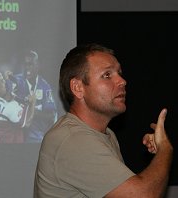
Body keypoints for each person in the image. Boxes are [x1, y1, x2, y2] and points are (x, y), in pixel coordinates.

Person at [33, 43, 173, 197]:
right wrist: (165, 149)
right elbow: (144, 195)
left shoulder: (106, 134)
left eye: (119, 73)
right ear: (78, 88)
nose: (122, 81)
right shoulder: (73, 139)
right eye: (107, 75)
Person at [12, 50, 58, 143]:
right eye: (25, 64)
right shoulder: (16, 81)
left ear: (38, 66)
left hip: (36, 136)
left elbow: (51, 116)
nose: (27, 68)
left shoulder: (45, 87)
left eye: (31, 64)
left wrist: (30, 112)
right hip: (17, 134)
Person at [0, 67, 36, 143]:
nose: (4, 82)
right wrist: (33, 102)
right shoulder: (9, 108)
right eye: (2, 81)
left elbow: (1, 94)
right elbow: (27, 123)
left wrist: (8, 81)